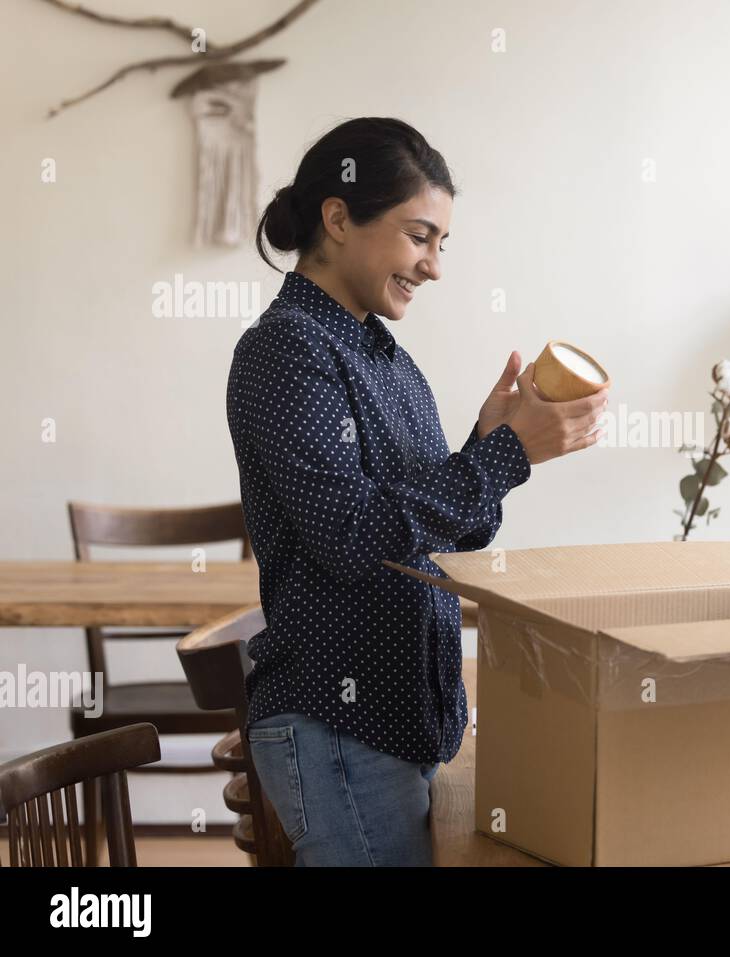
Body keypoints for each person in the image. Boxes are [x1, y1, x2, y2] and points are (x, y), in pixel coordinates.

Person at [226, 117, 607, 865]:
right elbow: (349, 537)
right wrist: (504, 455)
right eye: (418, 236)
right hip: (337, 725)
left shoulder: (385, 358)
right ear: (338, 218)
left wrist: (483, 442)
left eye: (441, 244)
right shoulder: (286, 349)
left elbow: (442, 535)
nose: (433, 265)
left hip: (398, 720)